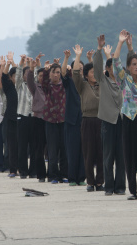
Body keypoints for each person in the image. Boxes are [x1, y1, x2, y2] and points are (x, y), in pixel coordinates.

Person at [113, 30, 137, 200]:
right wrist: (121, 43)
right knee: (130, 156)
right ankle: (133, 191)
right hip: (128, 119)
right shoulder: (123, 80)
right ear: (128, 67)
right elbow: (115, 62)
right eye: (133, 64)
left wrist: (132, 46)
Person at [94, 35, 125, 196]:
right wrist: (99, 49)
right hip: (107, 121)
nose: (115, 70)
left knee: (121, 156)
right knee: (108, 157)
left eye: (117, 67)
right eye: (111, 67)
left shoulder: (123, 82)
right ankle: (109, 187)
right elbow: (97, 67)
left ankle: (120, 186)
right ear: (108, 69)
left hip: (122, 121)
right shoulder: (103, 80)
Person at [73, 44, 104, 192]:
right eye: (92, 72)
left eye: (95, 72)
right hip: (87, 120)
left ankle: (100, 182)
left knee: (101, 152)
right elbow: (75, 75)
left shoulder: (102, 85)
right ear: (86, 75)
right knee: (89, 152)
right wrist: (78, 56)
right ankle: (90, 182)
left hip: (102, 120)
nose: (94, 74)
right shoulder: (82, 86)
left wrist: (95, 58)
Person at [59, 52, 85, 187]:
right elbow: (62, 73)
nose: (79, 71)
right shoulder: (69, 82)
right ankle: (72, 177)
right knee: (72, 150)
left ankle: (82, 177)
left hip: (85, 119)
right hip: (71, 120)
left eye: (81, 69)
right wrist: (67, 58)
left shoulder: (87, 82)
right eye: (76, 69)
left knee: (84, 150)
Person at [42, 56, 70, 184]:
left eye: (58, 72)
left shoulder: (63, 85)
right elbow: (43, 82)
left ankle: (64, 174)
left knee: (64, 149)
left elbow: (68, 76)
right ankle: (52, 175)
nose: (56, 75)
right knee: (52, 150)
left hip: (63, 120)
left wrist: (66, 60)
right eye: (54, 72)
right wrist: (47, 70)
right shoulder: (48, 86)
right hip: (50, 121)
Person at [25, 54, 48, 182]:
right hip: (38, 120)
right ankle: (41, 175)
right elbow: (29, 80)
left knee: (51, 148)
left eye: (43, 75)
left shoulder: (50, 88)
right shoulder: (35, 88)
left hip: (50, 120)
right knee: (39, 148)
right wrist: (32, 68)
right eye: (39, 76)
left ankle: (53, 174)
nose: (41, 78)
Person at [15, 55, 35, 179]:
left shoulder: (34, 86)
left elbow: (37, 76)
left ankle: (33, 171)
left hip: (32, 117)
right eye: (25, 73)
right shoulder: (19, 86)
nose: (27, 74)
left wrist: (33, 66)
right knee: (22, 146)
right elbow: (17, 77)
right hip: (22, 116)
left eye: (29, 73)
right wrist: (21, 62)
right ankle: (22, 170)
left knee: (33, 145)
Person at [0, 54, 19, 177]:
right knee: (11, 145)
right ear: (11, 78)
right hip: (11, 118)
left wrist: (15, 64)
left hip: (22, 117)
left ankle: (23, 169)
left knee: (22, 145)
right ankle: (12, 169)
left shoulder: (23, 87)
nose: (17, 78)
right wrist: (8, 64)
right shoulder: (9, 87)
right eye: (15, 76)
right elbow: (3, 77)